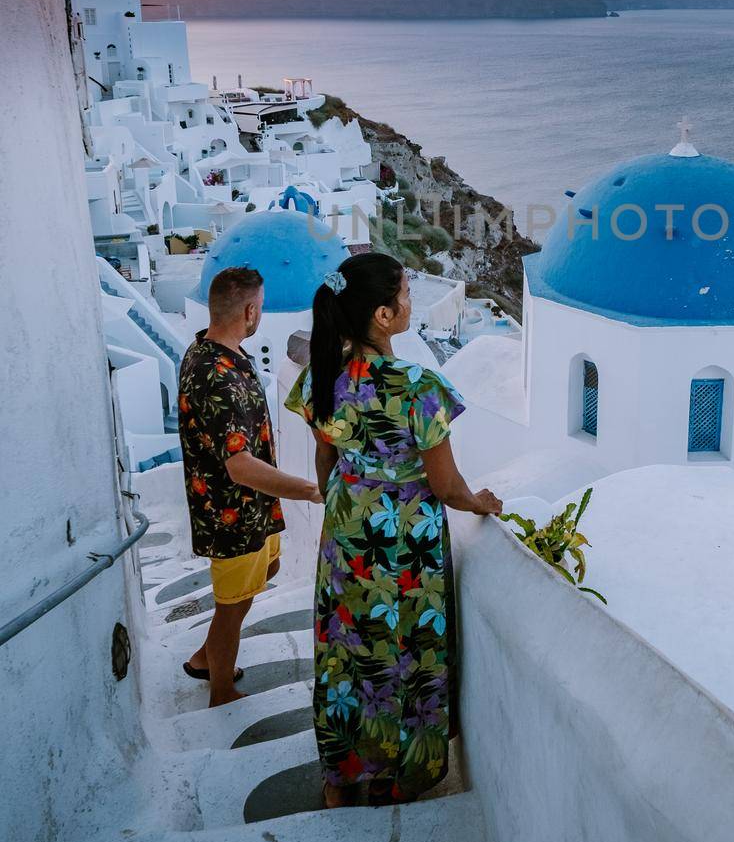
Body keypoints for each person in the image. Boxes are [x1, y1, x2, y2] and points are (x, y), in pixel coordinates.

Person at [285, 253, 501, 806]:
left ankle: (341, 776)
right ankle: (397, 776)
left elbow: (325, 459)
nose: (410, 303)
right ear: (382, 314)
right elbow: (447, 486)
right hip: (405, 544)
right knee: (404, 650)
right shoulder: (418, 387)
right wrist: (482, 502)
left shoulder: (320, 377)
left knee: (347, 648)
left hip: (346, 533)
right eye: (405, 294)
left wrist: (339, 520)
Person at [178, 265, 322, 707]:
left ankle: (206, 656)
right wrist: (309, 489)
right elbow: (239, 466)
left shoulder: (209, 348)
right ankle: (221, 688)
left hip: (252, 510)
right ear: (250, 311)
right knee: (231, 605)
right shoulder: (217, 376)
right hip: (231, 514)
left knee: (265, 574)